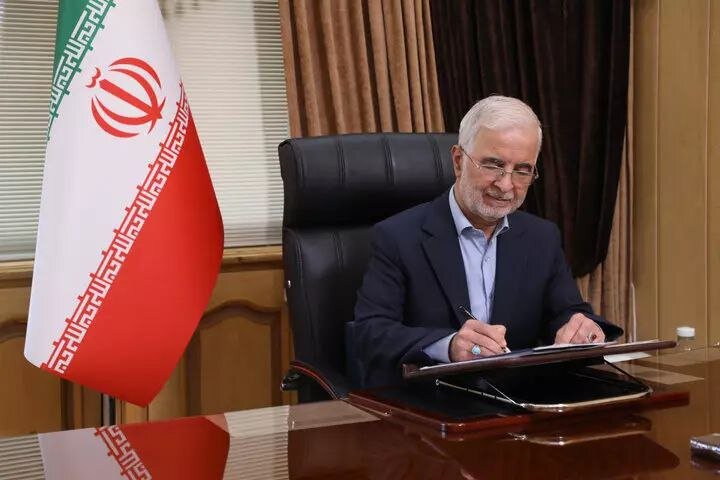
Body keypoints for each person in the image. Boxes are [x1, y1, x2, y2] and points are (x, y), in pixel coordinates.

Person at [353, 95, 622, 388]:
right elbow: (370, 333)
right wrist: (449, 345)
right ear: (459, 161)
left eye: (522, 170)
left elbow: (566, 313)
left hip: (518, 399)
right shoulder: (398, 236)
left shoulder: (541, 237)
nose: (506, 185)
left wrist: (582, 328)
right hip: (433, 400)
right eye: (494, 165)